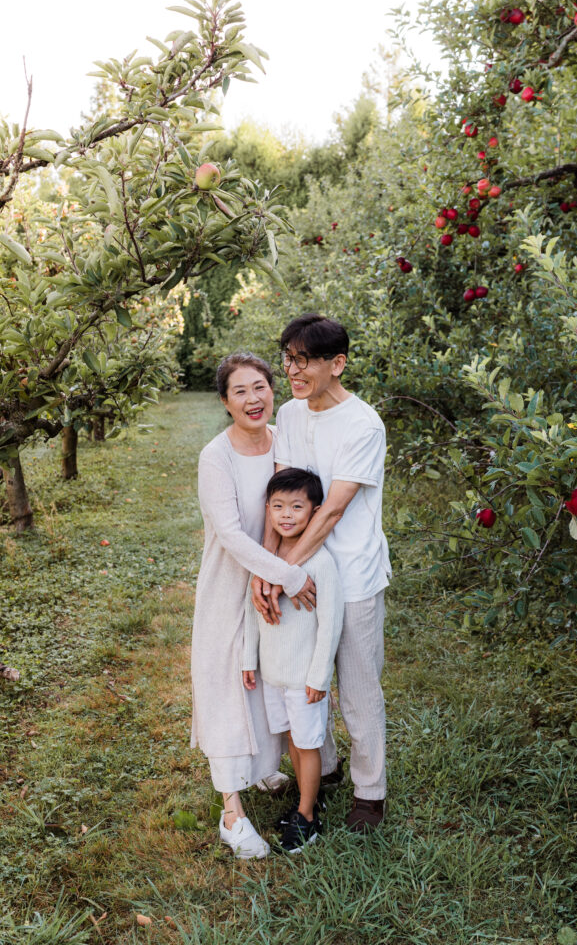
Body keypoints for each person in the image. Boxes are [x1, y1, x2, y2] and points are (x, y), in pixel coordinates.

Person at [251, 313, 391, 832]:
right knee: (302, 676)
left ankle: (369, 793)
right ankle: (323, 769)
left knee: (356, 689)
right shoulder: (288, 414)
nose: (293, 369)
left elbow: (330, 511)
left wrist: (281, 571)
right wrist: (268, 569)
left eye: (304, 359)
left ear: (338, 364)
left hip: (351, 576)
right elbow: (278, 495)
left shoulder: (363, 424)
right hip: (296, 575)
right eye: (288, 357)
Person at [190, 352, 316, 859]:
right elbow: (230, 535)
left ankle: (265, 767)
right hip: (230, 583)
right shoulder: (214, 457)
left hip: (272, 583)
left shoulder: (282, 439)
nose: (253, 398)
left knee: (267, 679)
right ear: (225, 402)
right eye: (240, 391)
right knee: (224, 684)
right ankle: (231, 812)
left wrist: (279, 574)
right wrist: (285, 574)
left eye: (260, 386)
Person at [242, 468, 344, 853]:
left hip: (304, 678)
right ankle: (305, 801)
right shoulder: (266, 559)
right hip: (273, 674)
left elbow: (330, 622)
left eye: (297, 507)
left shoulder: (319, 562)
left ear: (315, 512)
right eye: (278, 506)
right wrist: (247, 657)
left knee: (307, 743)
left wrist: (319, 676)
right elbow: (255, 610)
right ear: (267, 509)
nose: (286, 515)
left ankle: (306, 816)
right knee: (292, 741)